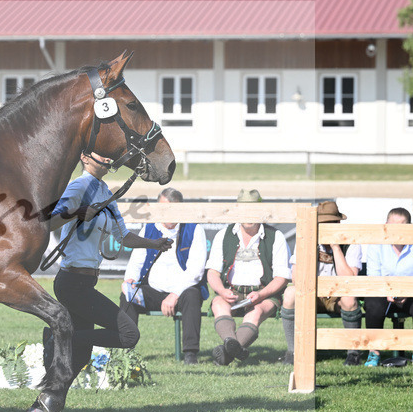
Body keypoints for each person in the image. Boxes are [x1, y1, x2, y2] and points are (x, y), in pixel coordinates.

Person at [35, 151, 174, 384]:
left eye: (110, 156)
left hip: (86, 283)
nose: (109, 159)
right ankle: (59, 337)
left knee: (80, 358)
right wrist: (78, 212)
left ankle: (50, 395)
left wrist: (154, 244)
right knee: (129, 335)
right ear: (85, 158)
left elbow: (123, 236)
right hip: (72, 283)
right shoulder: (79, 186)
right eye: (103, 155)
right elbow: (47, 222)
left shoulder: (105, 191)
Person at [120, 187, 208, 364]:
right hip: (153, 290)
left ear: (180, 209)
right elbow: (137, 260)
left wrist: (174, 295)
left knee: (192, 295)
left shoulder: (194, 229)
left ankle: (190, 354)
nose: (166, 214)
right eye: (162, 209)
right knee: (128, 296)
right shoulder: (149, 228)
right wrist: (129, 279)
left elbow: (195, 272)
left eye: (170, 209)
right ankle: (125, 351)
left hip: (182, 292)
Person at [206, 189, 291, 366]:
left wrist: (261, 294)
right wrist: (222, 291)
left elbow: (282, 277)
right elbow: (212, 272)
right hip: (232, 291)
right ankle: (231, 344)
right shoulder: (223, 235)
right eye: (245, 210)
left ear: (261, 211)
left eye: (253, 210)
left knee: (256, 311)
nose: (249, 215)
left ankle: (226, 354)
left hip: (264, 294)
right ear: (237, 210)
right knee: (218, 303)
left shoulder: (276, 237)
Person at [279, 201, 363, 366]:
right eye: (322, 224)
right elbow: (296, 277)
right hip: (311, 293)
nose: (325, 227)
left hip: (337, 296)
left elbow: (349, 280)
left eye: (330, 224)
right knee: (289, 293)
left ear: (338, 223)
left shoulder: (351, 242)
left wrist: (336, 247)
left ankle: (353, 353)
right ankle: (292, 351)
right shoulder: (305, 239)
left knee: (350, 299)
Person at [363, 207, 413, 368]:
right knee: (372, 305)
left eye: (402, 224)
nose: (398, 228)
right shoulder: (376, 244)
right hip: (382, 291)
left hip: (412, 292)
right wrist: (387, 292)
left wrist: (407, 292)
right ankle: (374, 352)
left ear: (410, 225)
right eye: (393, 224)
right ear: (386, 225)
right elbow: (374, 276)